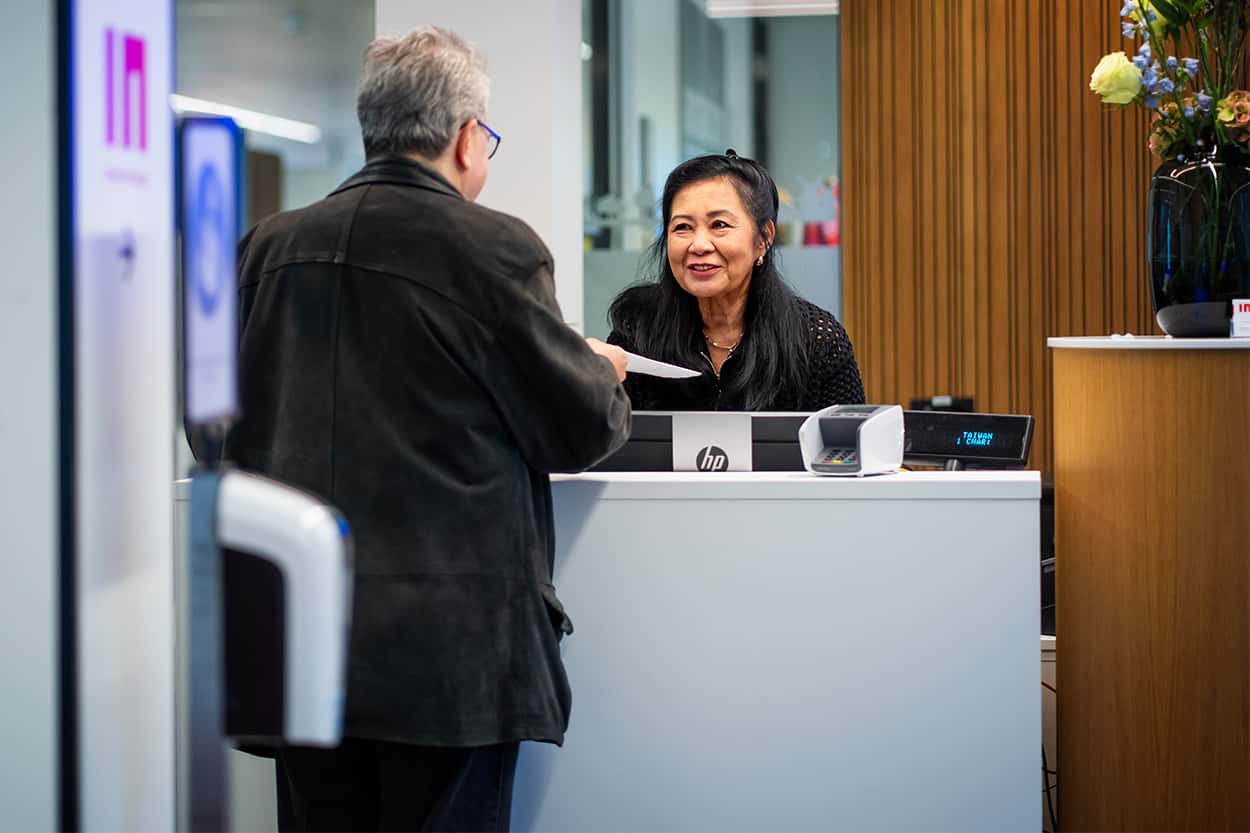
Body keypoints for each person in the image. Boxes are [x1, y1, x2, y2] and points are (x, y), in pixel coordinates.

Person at [222, 26, 631, 832]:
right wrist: (605, 373)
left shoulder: (266, 249)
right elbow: (578, 428)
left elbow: (214, 430)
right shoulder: (491, 248)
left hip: (300, 636)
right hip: (448, 656)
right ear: (468, 136)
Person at [607, 151, 865, 411]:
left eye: (719, 224)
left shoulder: (816, 340)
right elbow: (600, 442)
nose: (699, 245)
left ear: (764, 237)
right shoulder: (637, 333)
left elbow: (846, 444)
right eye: (683, 227)